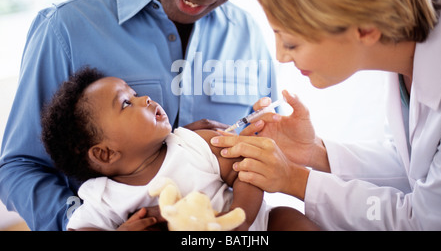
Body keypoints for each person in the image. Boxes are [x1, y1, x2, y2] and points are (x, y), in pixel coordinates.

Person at [0, 0, 278, 231]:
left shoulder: (248, 34)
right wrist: (89, 218)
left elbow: (270, 152)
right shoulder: (63, 29)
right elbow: (19, 167)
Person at [211, 0, 441, 230]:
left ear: (365, 28)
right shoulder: (408, 58)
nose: (281, 57)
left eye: (292, 43)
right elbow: (415, 169)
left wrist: (294, 180)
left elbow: (429, 221)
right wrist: (313, 152)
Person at [40, 67, 318, 231]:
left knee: (287, 219)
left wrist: (238, 219)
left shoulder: (191, 143)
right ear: (105, 153)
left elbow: (247, 169)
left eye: (135, 94)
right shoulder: (103, 198)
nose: (144, 99)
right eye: (126, 103)